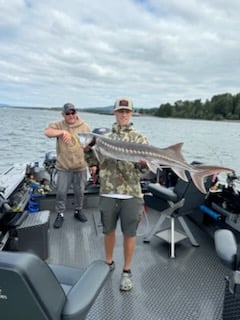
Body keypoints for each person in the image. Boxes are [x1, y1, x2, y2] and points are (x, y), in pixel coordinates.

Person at [98, 98, 148, 291]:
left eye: (127, 112)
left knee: (130, 233)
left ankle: (126, 271)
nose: (124, 115)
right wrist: (87, 150)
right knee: (108, 231)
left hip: (131, 193)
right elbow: (94, 163)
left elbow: (144, 172)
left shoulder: (139, 139)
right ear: (114, 113)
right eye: (120, 111)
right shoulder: (104, 137)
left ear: (132, 114)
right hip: (109, 192)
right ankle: (108, 263)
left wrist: (144, 164)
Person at [44, 102, 95, 229]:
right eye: (68, 113)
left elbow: (91, 147)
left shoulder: (85, 126)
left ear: (76, 113)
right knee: (61, 192)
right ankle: (60, 214)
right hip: (63, 167)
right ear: (63, 114)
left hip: (80, 166)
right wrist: (62, 132)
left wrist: (92, 164)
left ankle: (78, 210)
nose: (71, 115)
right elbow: (47, 132)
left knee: (80, 191)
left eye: (73, 112)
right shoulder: (59, 125)